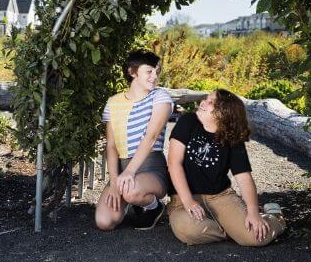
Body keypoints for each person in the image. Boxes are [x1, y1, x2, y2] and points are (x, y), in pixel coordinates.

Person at [166, 89, 286, 246]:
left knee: (255, 237)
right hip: (183, 199)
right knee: (188, 230)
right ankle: (232, 231)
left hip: (220, 197)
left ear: (224, 114)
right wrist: (188, 201)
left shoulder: (232, 137)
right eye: (206, 99)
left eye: (211, 103)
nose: (203, 102)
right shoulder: (188, 121)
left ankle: (275, 216)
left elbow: (244, 177)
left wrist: (254, 213)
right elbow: (174, 163)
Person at [95, 49, 174, 231]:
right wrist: (115, 182)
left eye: (157, 71)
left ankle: (153, 206)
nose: (155, 76)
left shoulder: (160, 97)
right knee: (104, 222)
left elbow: (151, 137)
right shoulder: (113, 103)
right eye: (149, 71)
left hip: (150, 166)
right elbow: (112, 145)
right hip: (122, 169)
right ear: (132, 72)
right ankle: (133, 199)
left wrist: (129, 173)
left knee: (131, 191)